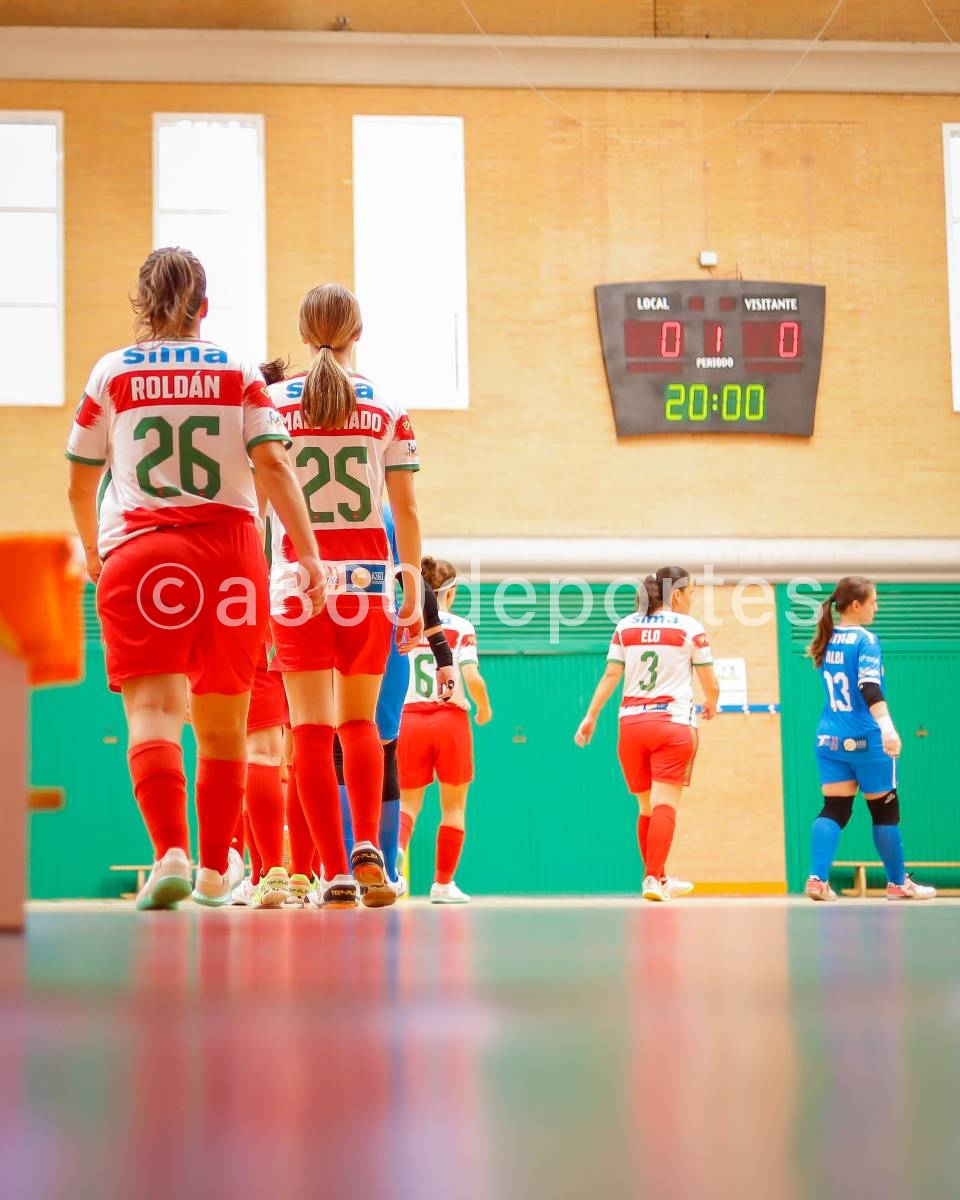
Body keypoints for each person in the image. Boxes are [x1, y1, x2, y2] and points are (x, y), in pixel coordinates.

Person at [65, 247, 322, 911]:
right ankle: (213, 871)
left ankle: (170, 853)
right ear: (204, 307)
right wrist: (309, 553)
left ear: (143, 307)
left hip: (140, 555)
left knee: (152, 714)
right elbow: (275, 469)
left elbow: (79, 479)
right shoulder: (238, 372)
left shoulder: (111, 372)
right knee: (223, 726)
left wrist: (94, 549)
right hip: (229, 556)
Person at [267, 282, 423, 909]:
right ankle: (370, 853)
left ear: (303, 334)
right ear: (358, 332)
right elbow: (406, 510)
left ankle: (330, 870)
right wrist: (408, 585)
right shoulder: (387, 408)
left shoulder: (272, 404)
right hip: (367, 577)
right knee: (360, 724)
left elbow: (259, 507)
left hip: (295, 579)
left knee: (308, 730)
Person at [575, 566, 719, 902]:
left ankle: (659, 877)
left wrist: (590, 715)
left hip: (631, 726)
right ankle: (653, 878)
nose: (692, 601)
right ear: (679, 594)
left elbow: (611, 675)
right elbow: (709, 681)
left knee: (646, 808)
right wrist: (713, 702)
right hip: (672, 723)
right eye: (692, 594)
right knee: (665, 804)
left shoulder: (625, 626)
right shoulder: (690, 628)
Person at [336, 530, 458, 904]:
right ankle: (385, 870)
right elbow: (415, 581)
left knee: (334, 749)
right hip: (387, 644)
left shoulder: (311, 506)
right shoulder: (388, 515)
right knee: (383, 751)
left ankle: (338, 870)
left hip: (336, 632)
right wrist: (444, 658)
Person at [805, 576, 936, 902]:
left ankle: (817, 879)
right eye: (873, 602)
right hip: (866, 740)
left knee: (834, 808)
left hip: (829, 740)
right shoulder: (866, 640)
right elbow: (869, 687)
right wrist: (888, 726)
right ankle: (896, 883)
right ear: (855, 605)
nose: (876, 607)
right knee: (885, 813)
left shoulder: (827, 638)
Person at [398, 558, 492, 903]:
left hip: (408, 719)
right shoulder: (460, 627)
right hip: (449, 719)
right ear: (449, 593)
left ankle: (394, 865)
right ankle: (442, 884)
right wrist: (484, 707)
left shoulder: (402, 620)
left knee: (407, 805)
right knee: (453, 807)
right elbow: (471, 677)